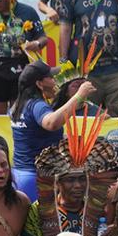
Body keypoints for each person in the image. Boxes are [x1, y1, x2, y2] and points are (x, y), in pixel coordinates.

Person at [9, 61, 97, 200]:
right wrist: (79, 95)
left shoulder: (18, 105)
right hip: (36, 179)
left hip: (19, 175)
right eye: (50, 77)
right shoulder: (37, 105)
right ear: (39, 84)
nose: (55, 81)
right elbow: (51, 123)